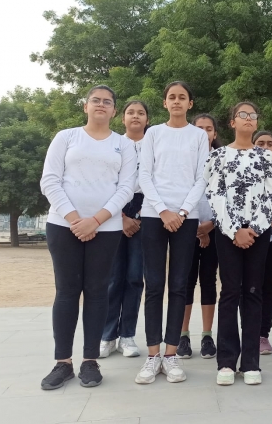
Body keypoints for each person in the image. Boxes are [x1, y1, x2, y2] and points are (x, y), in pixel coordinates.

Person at [39, 85, 137, 390]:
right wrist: (74, 220)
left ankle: (90, 360)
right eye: (96, 100)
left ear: (114, 111)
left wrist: (95, 220)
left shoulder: (124, 145)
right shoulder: (66, 137)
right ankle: (62, 362)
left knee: (97, 292)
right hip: (63, 226)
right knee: (67, 291)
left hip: (106, 229)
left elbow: (126, 188)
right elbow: (50, 181)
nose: (101, 105)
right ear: (86, 106)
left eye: (107, 102)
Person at [135, 81, 210, 385]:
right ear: (165, 103)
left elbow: (202, 177)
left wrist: (181, 212)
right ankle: (153, 354)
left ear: (190, 103)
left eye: (182, 97)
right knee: (154, 285)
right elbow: (144, 175)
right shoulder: (153, 133)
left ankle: (171, 353)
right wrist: (163, 211)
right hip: (154, 215)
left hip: (186, 217)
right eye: (171, 97)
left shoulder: (198, 136)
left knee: (179, 285)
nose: (176, 101)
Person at [203, 101, 272, 386]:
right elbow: (215, 194)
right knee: (230, 292)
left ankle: (250, 362)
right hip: (227, 233)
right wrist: (235, 230)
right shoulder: (218, 156)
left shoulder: (267, 157)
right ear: (232, 122)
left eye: (253, 115)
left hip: (258, 233)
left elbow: (271, 196)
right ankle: (226, 361)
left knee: (253, 292)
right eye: (242, 115)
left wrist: (254, 229)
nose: (248, 119)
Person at [100, 100, 149, 359]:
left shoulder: (153, 144)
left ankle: (127, 335)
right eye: (131, 112)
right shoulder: (113, 144)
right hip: (113, 210)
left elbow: (158, 180)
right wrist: (121, 216)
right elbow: (104, 181)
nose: (135, 116)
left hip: (145, 210)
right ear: (122, 118)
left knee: (134, 278)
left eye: (141, 113)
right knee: (113, 278)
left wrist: (137, 216)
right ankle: (107, 335)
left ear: (147, 119)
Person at [180, 114, 222, 360]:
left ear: (215, 133)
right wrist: (196, 228)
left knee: (208, 281)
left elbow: (228, 197)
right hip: (186, 227)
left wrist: (209, 226)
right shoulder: (183, 158)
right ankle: (183, 335)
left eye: (209, 129)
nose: (205, 133)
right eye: (200, 128)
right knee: (185, 282)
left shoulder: (222, 159)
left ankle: (207, 335)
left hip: (215, 229)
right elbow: (177, 192)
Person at [252, 130, 272, 355]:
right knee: (248, 285)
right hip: (248, 237)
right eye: (260, 143)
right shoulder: (244, 168)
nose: (265, 147)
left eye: (269, 144)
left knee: (268, 285)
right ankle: (248, 331)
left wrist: (268, 229)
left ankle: (263, 334)